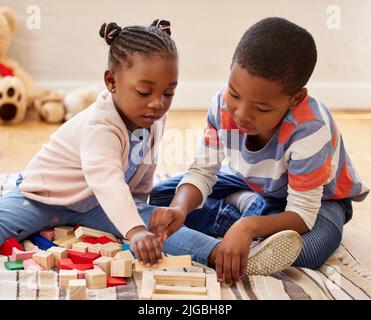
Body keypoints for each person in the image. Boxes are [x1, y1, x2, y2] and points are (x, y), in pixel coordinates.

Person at [149, 17, 369, 284]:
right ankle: (252, 208)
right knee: (163, 198)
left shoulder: (310, 128)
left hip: (319, 202)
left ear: (295, 99)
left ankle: (251, 217)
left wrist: (247, 226)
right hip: (253, 184)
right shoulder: (221, 106)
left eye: (262, 108)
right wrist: (179, 209)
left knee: (309, 252)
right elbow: (202, 171)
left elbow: (302, 213)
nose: (241, 114)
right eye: (234, 94)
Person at [0, 19, 179, 267]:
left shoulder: (154, 118)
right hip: (44, 197)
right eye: (143, 92)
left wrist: (138, 211)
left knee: (164, 229)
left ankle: (219, 253)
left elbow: (146, 167)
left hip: (96, 203)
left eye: (168, 93)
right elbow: (108, 181)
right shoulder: (100, 127)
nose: (158, 104)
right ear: (111, 81)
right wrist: (135, 230)